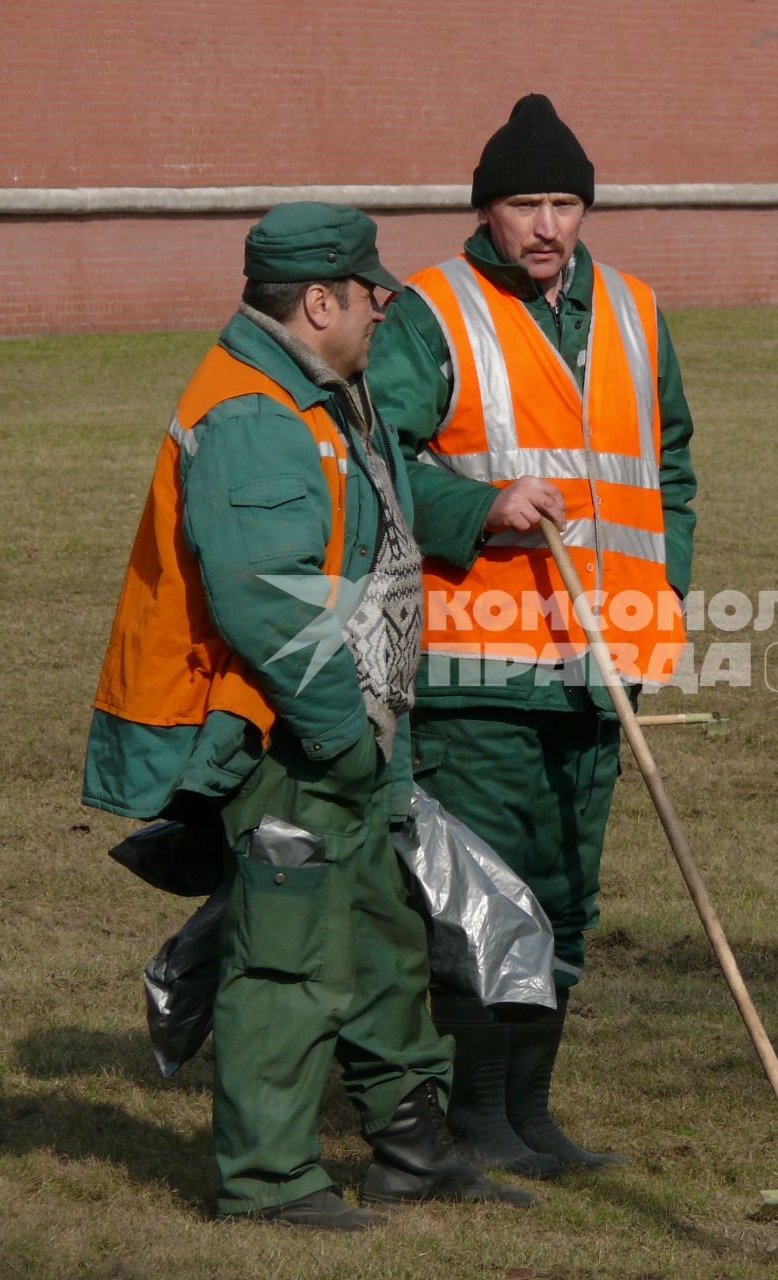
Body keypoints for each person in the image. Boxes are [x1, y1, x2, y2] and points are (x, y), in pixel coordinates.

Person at [83, 203, 534, 1230]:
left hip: (347, 733)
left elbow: (375, 524)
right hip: (286, 736)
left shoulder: (322, 390)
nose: (386, 304)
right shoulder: (253, 414)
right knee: (285, 958)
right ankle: (270, 1177)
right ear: (318, 300)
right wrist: (338, 734)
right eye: (370, 289)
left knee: (379, 937)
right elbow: (267, 600)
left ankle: (412, 1147)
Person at [368, 94, 697, 1179]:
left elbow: (670, 475)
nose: (548, 224)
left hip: (602, 672)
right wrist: (477, 509)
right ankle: (478, 1116)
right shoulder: (433, 312)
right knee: (483, 903)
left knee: (564, 901)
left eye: (565, 202)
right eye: (525, 204)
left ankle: (534, 1114)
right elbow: (371, 467)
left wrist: (663, 601)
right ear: (486, 211)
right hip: (477, 674)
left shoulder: (640, 312)